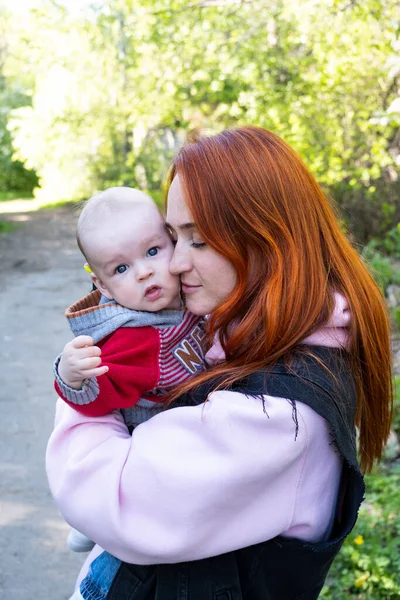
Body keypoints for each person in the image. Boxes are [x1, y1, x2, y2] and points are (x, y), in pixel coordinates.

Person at [46, 126, 393, 600]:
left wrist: (83, 381)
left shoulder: (274, 415)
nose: (172, 265)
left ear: (267, 240)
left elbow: (106, 495)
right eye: (172, 238)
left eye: (198, 241)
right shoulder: (255, 334)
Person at [53, 187, 205, 569]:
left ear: (173, 240)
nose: (143, 272)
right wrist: (72, 377)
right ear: (102, 286)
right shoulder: (136, 337)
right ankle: (94, 523)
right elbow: (101, 395)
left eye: (153, 251)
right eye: (121, 269)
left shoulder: (185, 295)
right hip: (149, 437)